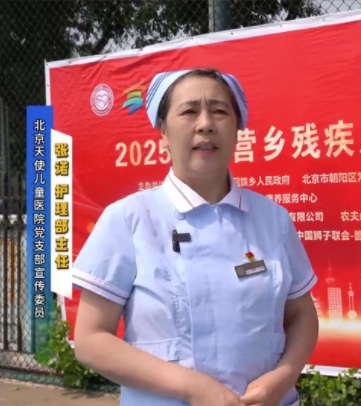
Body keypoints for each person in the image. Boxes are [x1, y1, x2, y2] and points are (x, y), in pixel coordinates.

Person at [72, 68, 319, 406]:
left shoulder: (273, 219)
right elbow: (91, 340)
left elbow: (302, 315)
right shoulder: (129, 219)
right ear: (163, 132)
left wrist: (282, 378)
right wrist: (192, 388)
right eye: (189, 111)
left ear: (237, 129)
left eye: (219, 111)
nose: (205, 124)